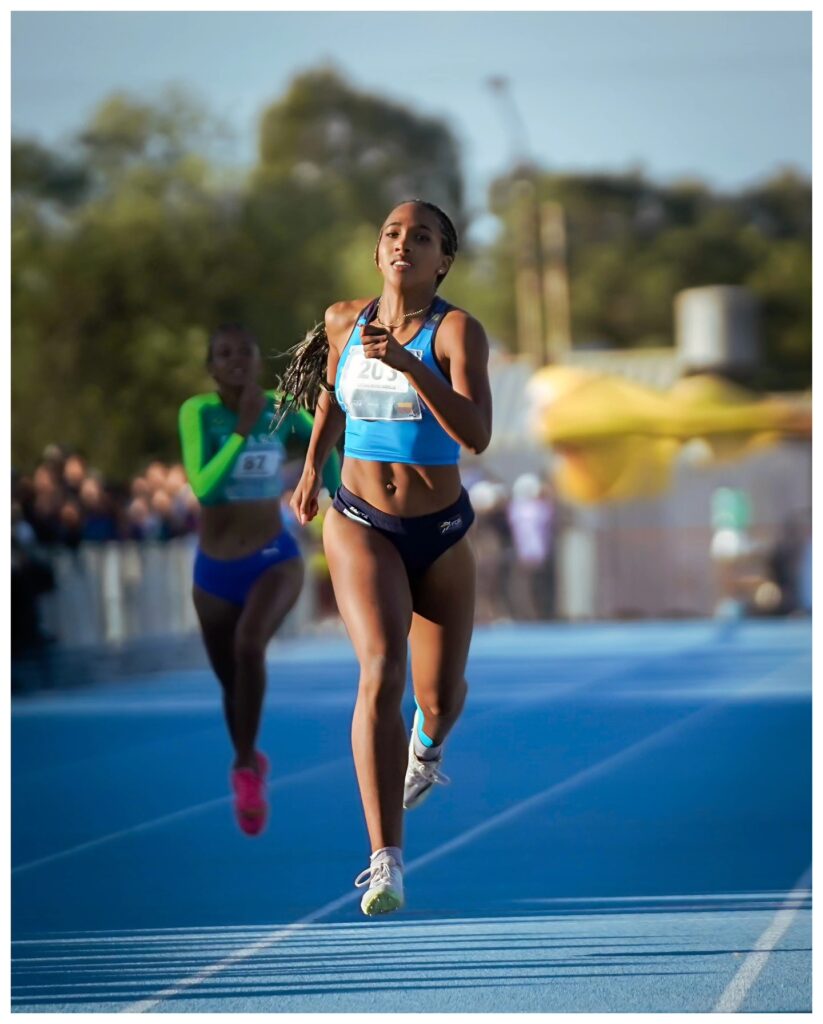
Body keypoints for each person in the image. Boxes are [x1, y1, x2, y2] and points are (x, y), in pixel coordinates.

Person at [287, 200, 492, 915]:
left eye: (423, 237)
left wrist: (407, 362)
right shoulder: (343, 318)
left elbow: (476, 433)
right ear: (378, 254)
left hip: (439, 531)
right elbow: (330, 395)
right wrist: (314, 466)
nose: (405, 244)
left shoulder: (456, 330)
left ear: (443, 260)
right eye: (392, 234)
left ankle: (427, 751)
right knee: (381, 668)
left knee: (439, 697)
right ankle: (386, 861)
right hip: (359, 518)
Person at [179, 324, 341, 835]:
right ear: (211, 366)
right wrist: (245, 430)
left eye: (245, 353)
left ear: (256, 360)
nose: (236, 361)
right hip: (214, 571)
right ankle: (247, 757)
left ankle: (246, 767)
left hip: (274, 558)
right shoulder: (199, 413)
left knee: (250, 647)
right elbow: (204, 488)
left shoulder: (278, 406)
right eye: (224, 354)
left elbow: (322, 441)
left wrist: (337, 490)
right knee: (232, 683)